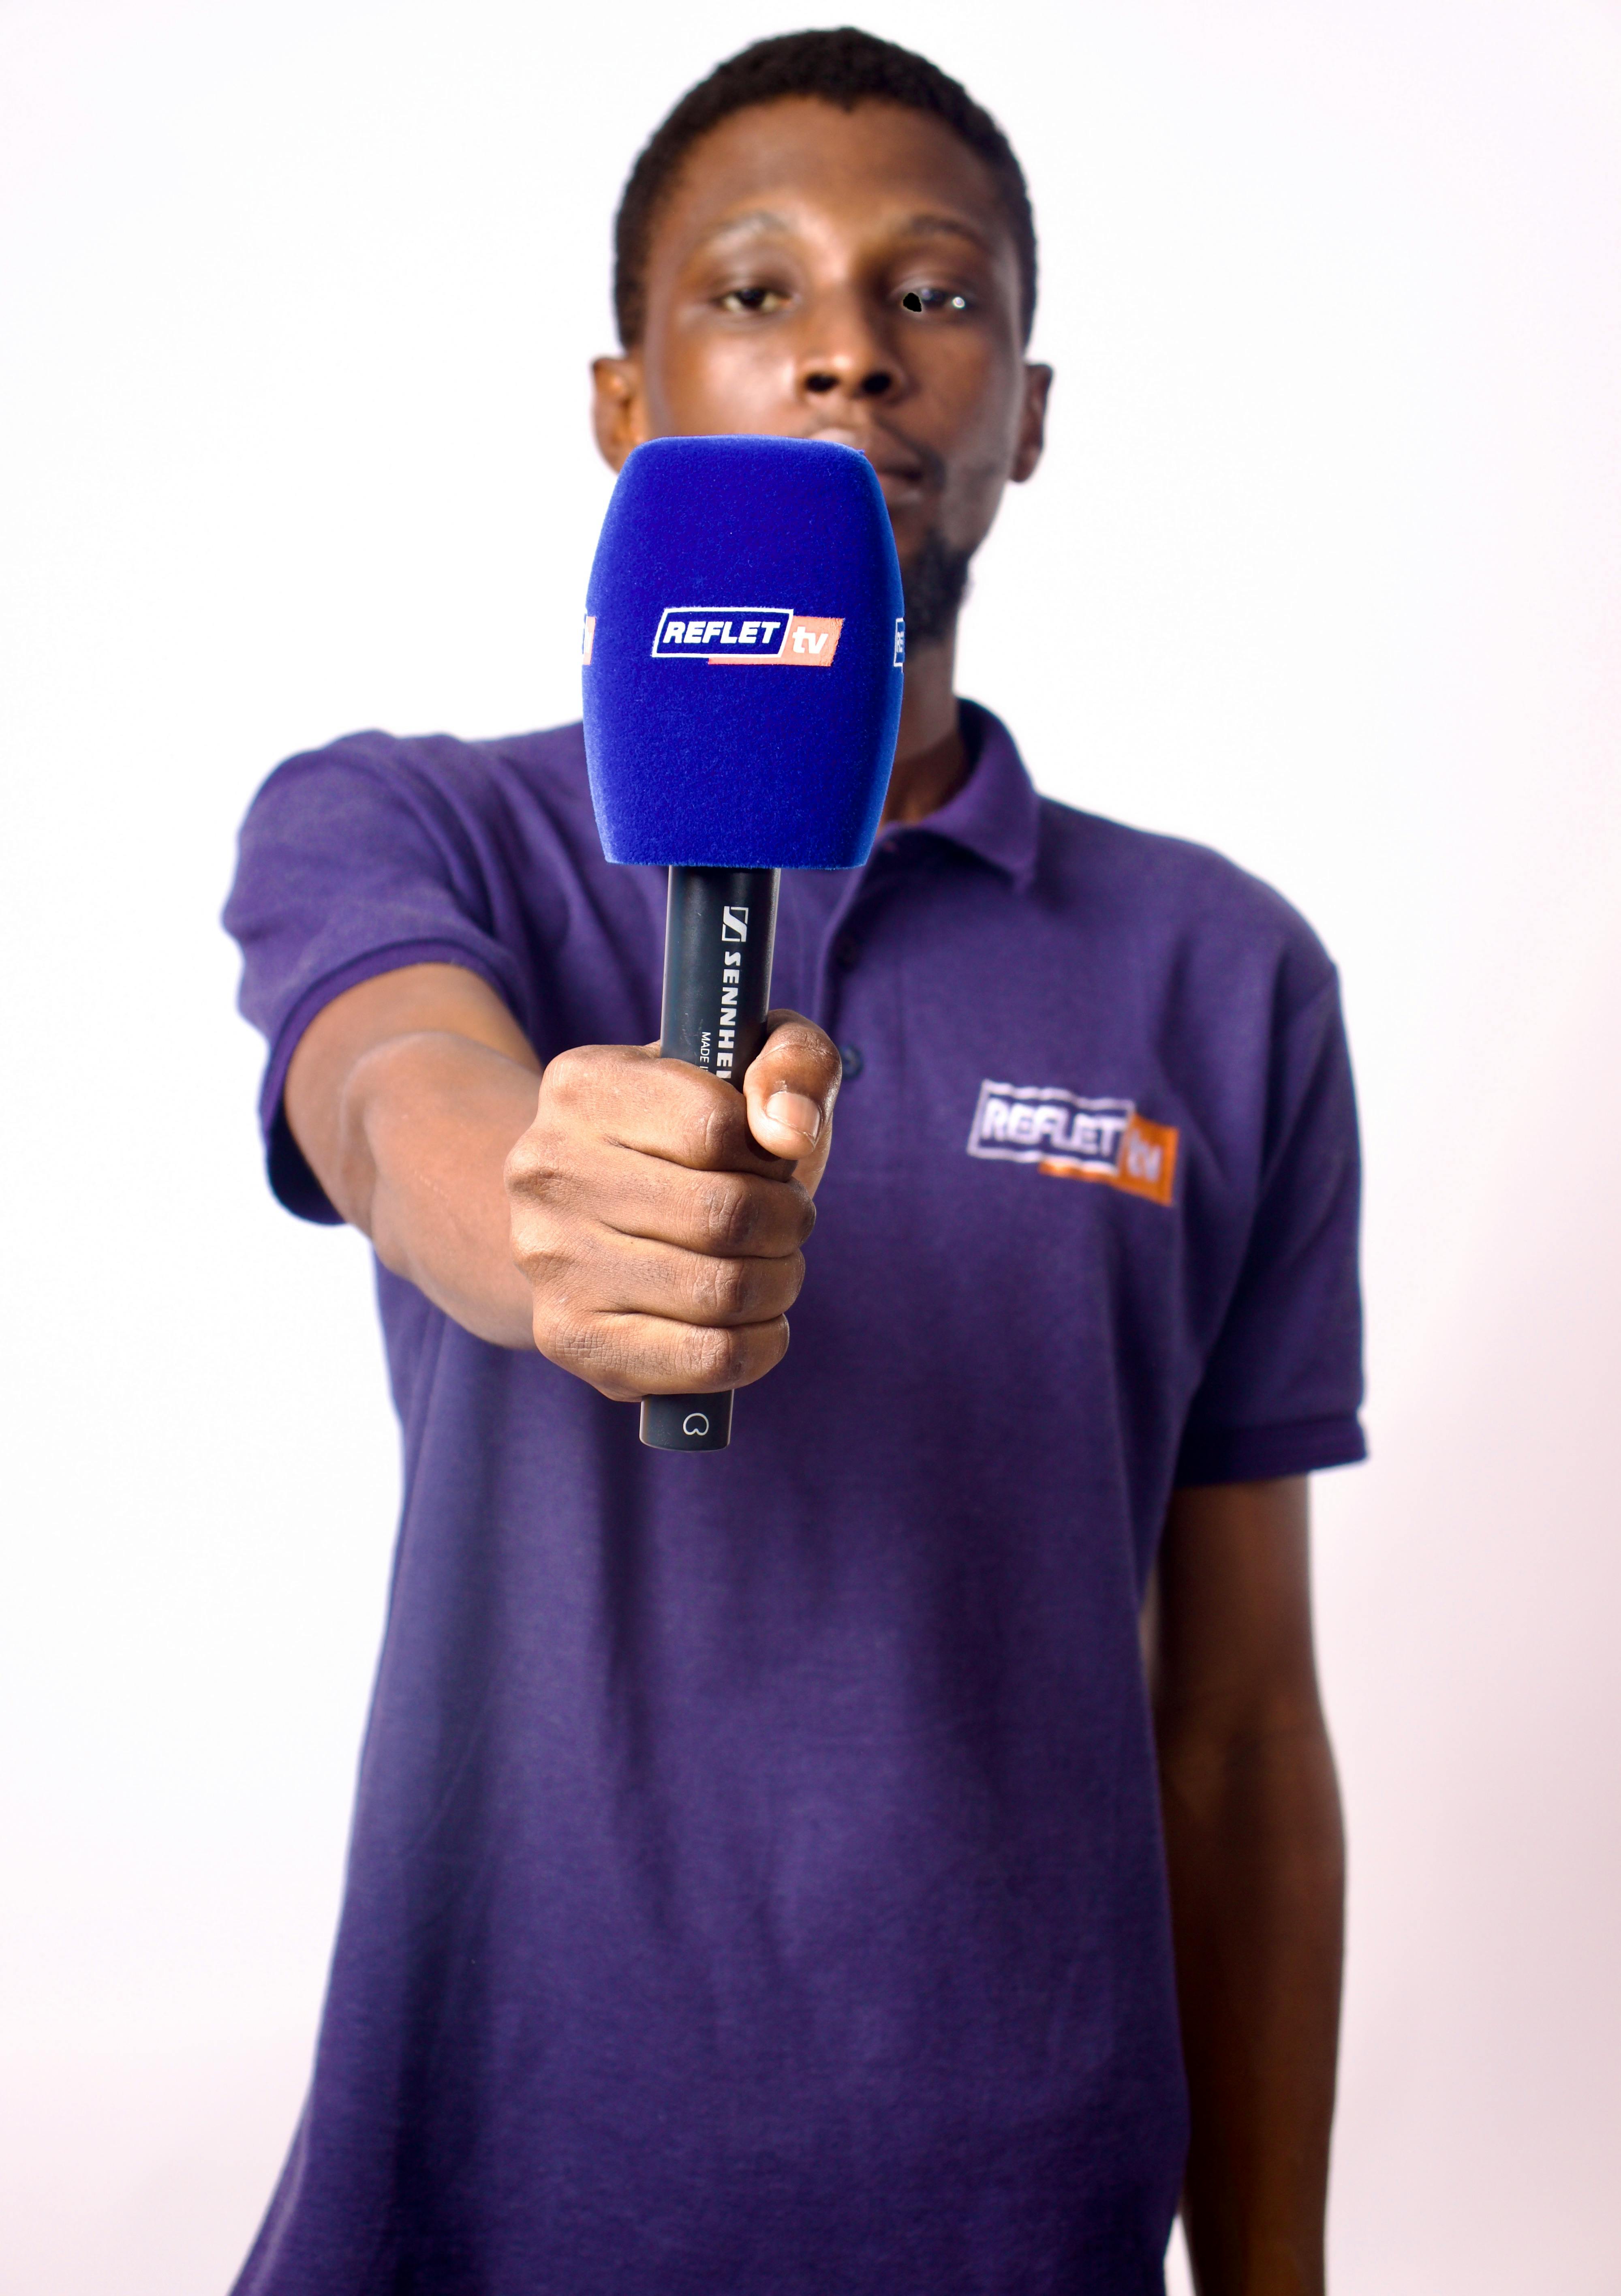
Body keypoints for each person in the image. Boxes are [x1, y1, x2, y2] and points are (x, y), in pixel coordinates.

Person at [223, 28, 1363, 2295]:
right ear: (623, 407)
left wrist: (1275, 2280)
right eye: (754, 294)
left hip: (1016, 2220)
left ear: (1028, 406)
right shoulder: (416, 824)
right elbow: (391, 1093)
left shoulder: (1222, 974)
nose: (850, 345)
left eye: (934, 296)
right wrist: (540, 1216)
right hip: (481, 2203)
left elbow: (1233, 1729)